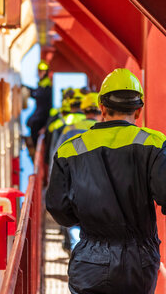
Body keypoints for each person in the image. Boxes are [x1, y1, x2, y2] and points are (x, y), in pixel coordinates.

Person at [46, 68, 166, 294]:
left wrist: (87, 222)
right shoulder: (152, 144)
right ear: (139, 110)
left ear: (102, 107)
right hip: (137, 263)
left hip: (90, 259)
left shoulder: (70, 149)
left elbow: (57, 207)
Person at [54, 92, 102, 253]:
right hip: (101, 189)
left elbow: (57, 157)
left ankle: (77, 261)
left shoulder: (70, 129)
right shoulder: (107, 131)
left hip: (75, 185)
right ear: (102, 109)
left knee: (75, 228)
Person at [25, 60, 52, 150]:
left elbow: (37, 95)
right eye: (39, 71)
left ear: (46, 72)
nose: (39, 73)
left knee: (33, 124)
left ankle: (36, 149)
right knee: (30, 122)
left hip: (42, 117)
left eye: (41, 71)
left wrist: (25, 88)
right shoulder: (42, 84)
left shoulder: (46, 85)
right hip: (40, 114)